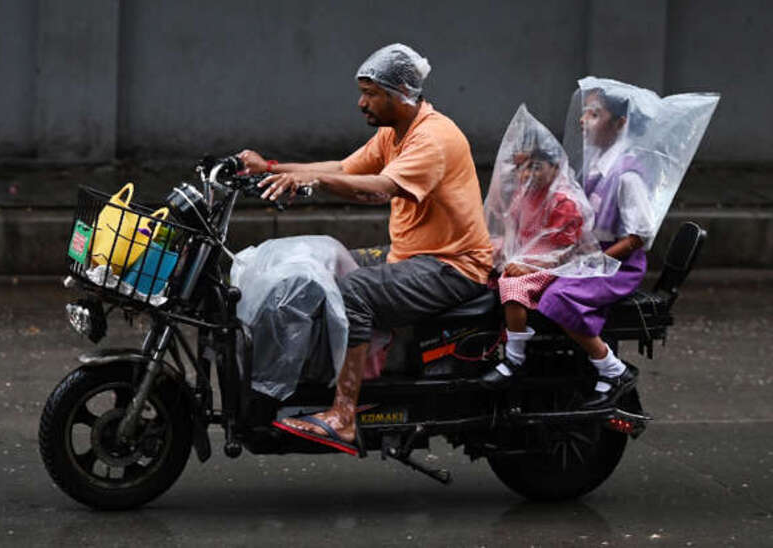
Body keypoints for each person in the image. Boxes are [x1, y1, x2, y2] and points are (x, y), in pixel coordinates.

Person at [238, 43, 492, 454]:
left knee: (351, 293)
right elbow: (343, 169)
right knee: (317, 275)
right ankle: (312, 382)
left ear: (401, 94)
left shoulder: (432, 138)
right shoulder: (394, 133)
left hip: (451, 266)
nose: (361, 102)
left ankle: (343, 415)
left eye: (371, 93)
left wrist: (313, 184)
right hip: (410, 256)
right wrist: (268, 168)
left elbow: (380, 189)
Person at [536, 77, 719, 409]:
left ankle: (611, 367)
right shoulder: (597, 165)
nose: (582, 120)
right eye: (585, 112)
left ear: (620, 124)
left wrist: (595, 262)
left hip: (617, 265)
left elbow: (638, 236)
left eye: (594, 114)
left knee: (557, 297)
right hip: (593, 255)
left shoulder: (628, 175)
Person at [480, 105, 617, 388]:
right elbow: (513, 228)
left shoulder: (563, 201)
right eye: (522, 167)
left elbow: (564, 249)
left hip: (556, 263)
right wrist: (502, 247)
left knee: (512, 287)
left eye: (536, 166)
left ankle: (515, 355)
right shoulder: (524, 194)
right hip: (530, 256)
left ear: (556, 168)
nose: (528, 174)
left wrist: (528, 264)